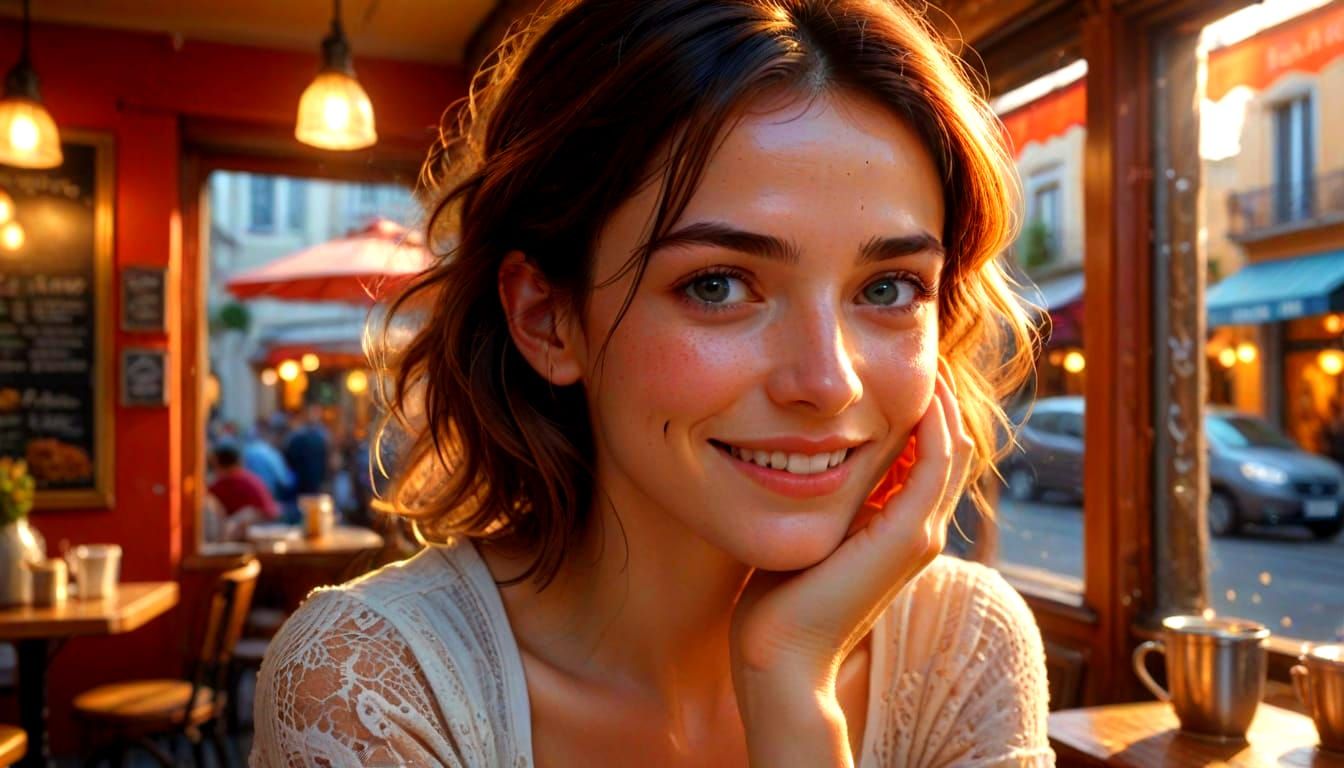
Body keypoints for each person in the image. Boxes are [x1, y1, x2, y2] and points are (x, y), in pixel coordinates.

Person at [253, 1, 1050, 765]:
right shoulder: (369, 686)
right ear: (547, 319)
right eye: (717, 285)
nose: (828, 381)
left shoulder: (963, 644)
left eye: (887, 289)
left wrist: (790, 685)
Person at [207, 441, 279, 541]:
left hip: (258, 528)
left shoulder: (226, 482)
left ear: (217, 463)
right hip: (270, 525)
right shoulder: (249, 477)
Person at [282, 403, 330, 497]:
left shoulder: (323, 434)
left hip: (314, 478)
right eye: (312, 412)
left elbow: (326, 456)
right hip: (301, 479)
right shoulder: (297, 435)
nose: (314, 416)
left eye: (316, 413)